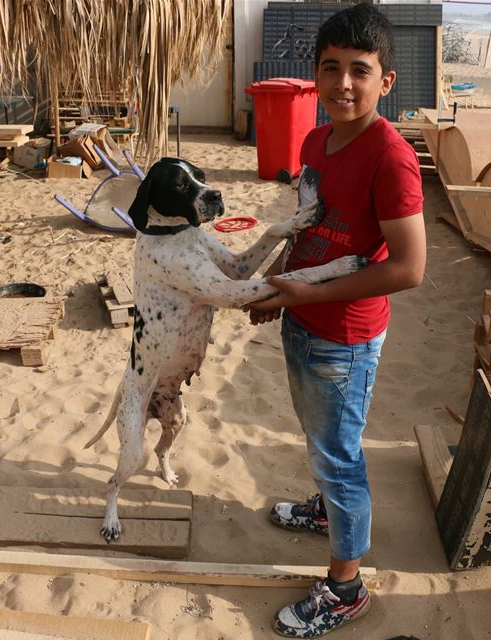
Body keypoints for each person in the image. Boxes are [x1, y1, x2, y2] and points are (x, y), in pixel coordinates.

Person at [246, 4, 426, 638]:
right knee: (322, 439)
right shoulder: (314, 140)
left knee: (339, 456)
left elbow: (409, 268)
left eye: (360, 70)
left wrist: (299, 296)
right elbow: (310, 228)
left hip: (345, 337)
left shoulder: (392, 157)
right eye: (331, 68)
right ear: (314, 74)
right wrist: (278, 288)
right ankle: (327, 512)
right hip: (305, 320)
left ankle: (346, 587)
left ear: (386, 80)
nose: (343, 84)